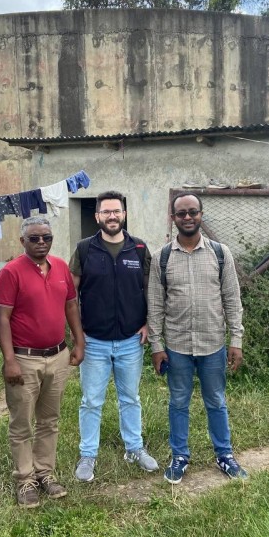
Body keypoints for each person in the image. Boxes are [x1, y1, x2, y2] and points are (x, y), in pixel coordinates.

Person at [147, 192, 248, 484]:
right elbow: (155, 306)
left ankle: (224, 455)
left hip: (213, 345)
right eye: (181, 213)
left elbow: (232, 299)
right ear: (173, 218)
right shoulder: (161, 258)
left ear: (201, 215)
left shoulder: (220, 253)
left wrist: (236, 341)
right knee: (178, 401)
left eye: (193, 212)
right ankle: (180, 456)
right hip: (176, 346)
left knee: (216, 400)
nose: (187, 217)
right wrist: (156, 346)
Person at [0, 216, 85, 508]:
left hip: (57, 356)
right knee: (22, 423)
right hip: (24, 358)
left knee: (50, 420)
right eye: (34, 238)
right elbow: (2, 318)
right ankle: (25, 479)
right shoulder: (10, 272)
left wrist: (78, 341)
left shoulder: (60, 267)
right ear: (23, 241)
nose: (41, 242)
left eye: (46, 237)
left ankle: (45, 473)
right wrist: (9, 359)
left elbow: (71, 305)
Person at [69, 191, 159, 482]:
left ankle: (134, 448)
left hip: (131, 340)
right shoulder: (84, 249)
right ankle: (88, 455)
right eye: (106, 212)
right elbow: (70, 296)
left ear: (124, 214)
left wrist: (147, 323)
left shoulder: (139, 248)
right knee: (91, 400)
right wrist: (77, 334)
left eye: (116, 211)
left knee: (130, 398)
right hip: (93, 340)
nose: (111, 216)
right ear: (97, 217)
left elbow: (150, 290)